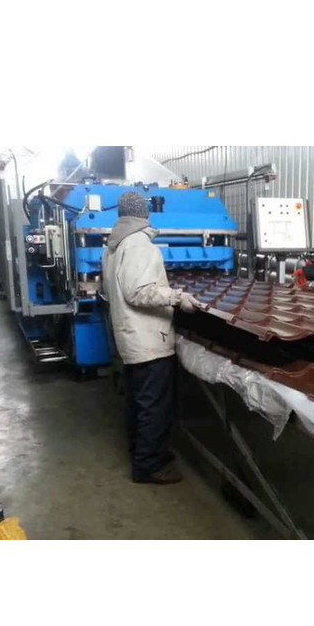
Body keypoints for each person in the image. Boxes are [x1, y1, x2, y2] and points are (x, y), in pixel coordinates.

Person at [102, 192, 200, 485]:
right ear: (145, 214)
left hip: (130, 337)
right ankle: (150, 465)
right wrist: (176, 296)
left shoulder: (113, 246)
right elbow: (138, 291)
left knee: (138, 402)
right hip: (148, 341)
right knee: (154, 406)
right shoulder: (139, 245)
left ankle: (140, 452)